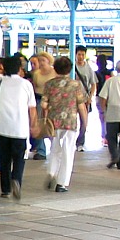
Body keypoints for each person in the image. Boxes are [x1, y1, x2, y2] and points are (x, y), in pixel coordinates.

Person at [41, 56, 88, 193]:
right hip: (70, 122)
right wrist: (85, 123)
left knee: (55, 149)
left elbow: (43, 104)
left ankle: (51, 172)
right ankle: (61, 183)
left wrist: (47, 115)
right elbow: (81, 106)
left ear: (55, 69)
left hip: (53, 122)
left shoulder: (49, 84)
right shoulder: (75, 85)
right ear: (70, 69)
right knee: (68, 151)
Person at [0, 55, 37, 199]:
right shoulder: (26, 84)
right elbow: (32, 108)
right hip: (20, 128)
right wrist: (33, 125)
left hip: (2, 127)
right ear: (20, 68)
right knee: (19, 158)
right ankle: (16, 179)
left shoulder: (0, 82)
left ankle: (5, 189)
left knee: (4, 159)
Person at [99, 60, 120, 170]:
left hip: (112, 114)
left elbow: (103, 97)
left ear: (116, 69)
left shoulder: (110, 81)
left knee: (111, 137)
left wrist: (103, 110)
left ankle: (114, 155)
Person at [29, 51, 56, 160]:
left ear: (49, 61)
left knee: (51, 124)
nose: (41, 63)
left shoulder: (55, 72)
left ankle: (55, 148)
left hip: (52, 101)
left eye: (43, 60)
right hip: (39, 99)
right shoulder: (37, 73)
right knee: (39, 124)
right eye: (39, 60)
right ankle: (41, 150)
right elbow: (35, 87)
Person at [73, 46, 96, 152]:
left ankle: (80, 142)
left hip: (85, 99)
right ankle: (71, 141)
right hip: (72, 99)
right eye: (79, 54)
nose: (81, 57)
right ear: (75, 55)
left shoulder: (89, 68)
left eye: (83, 55)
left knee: (84, 122)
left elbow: (93, 84)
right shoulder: (72, 67)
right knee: (72, 121)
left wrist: (90, 97)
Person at [95, 53, 113, 145]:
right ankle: (108, 136)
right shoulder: (110, 73)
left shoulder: (95, 73)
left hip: (99, 97)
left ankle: (104, 135)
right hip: (109, 96)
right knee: (109, 116)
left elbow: (95, 86)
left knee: (102, 116)